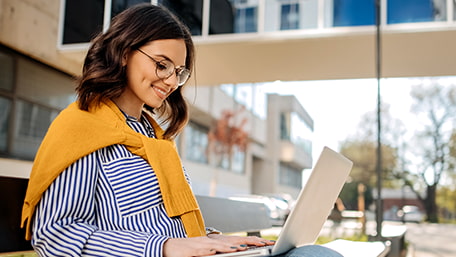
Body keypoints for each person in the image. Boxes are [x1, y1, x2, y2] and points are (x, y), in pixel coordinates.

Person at [21, 4, 343, 257]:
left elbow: (169, 224)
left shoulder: (153, 136)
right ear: (124, 52)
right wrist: (163, 247)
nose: (172, 81)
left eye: (179, 72)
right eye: (161, 65)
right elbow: (53, 235)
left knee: (316, 253)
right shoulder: (82, 127)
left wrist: (215, 241)